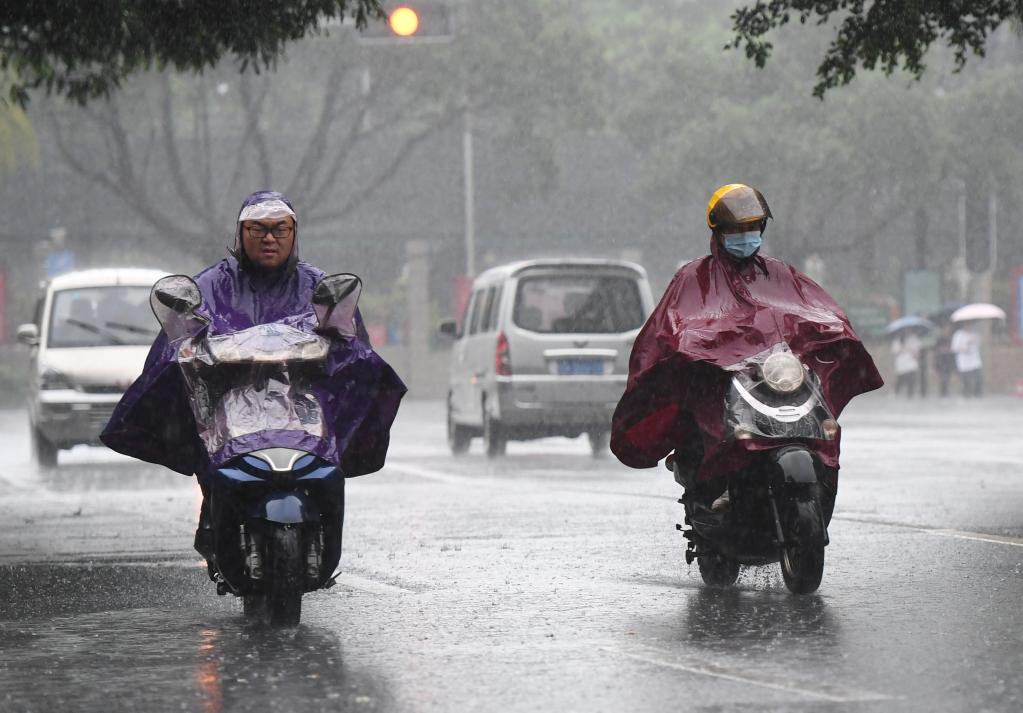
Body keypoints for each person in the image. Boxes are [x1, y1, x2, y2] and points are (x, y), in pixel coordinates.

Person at [101, 191, 407, 563]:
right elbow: (175, 343)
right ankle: (216, 523)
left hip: (303, 413)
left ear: (294, 233)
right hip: (230, 413)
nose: (269, 238)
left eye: (280, 229)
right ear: (240, 234)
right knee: (209, 457)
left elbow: (350, 343)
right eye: (258, 229)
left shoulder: (317, 286)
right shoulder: (212, 285)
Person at [610, 183, 882, 513]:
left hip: (774, 379)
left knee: (822, 427)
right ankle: (718, 487)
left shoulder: (780, 273)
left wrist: (831, 329)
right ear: (719, 231)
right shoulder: (694, 277)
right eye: (737, 229)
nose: (745, 235)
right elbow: (674, 325)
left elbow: (813, 309)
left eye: (752, 228)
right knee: (713, 422)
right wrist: (704, 348)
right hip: (718, 381)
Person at [951, 322, 983, 397]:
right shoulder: (958, 335)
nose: (969, 327)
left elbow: (978, 344)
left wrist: (975, 340)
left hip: (975, 360)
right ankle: (966, 395)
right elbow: (954, 348)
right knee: (966, 381)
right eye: (967, 325)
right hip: (964, 362)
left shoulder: (975, 334)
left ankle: (977, 394)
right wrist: (964, 347)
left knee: (978, 378)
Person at [891, 329, 921, 397]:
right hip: (901, 363)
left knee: (911, 379)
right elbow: (895, 352)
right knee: (900, 380)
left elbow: (917, 351)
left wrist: (913, 352)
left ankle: (910, 394)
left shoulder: (914, 339)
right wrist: (902, 348)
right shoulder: (897, 341)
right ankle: (895, 393)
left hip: (911, 363)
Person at [933, 322, 957, 397]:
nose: (947, 330)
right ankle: (943, 394)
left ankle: (945, 394)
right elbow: (936, 352)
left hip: (949, 363)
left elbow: (953, 351)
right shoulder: (939, 339)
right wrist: (935, 366)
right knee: (943, 380)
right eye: (946, 329)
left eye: (948, 329)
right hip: (941, 363)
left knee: (948, 379)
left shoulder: (951, 339)